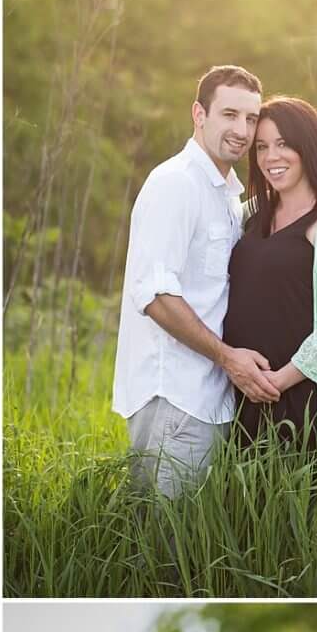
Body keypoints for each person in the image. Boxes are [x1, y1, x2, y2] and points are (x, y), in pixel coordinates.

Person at [112, 65, 280, 496]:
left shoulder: (225, 192)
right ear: (199, 114)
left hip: (207, 399)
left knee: (191, 547)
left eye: (250, 118)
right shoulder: (176, 184)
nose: (242, 130)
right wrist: (228, 358)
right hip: (175, 398)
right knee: (167, 549)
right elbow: (154, 295)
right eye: (229, 114)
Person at [222, 96, 317, 458]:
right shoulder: (251, 213)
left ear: (308, 147)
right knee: (241, 510)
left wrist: (277, 381)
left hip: (302, 400)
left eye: (284, 144)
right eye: (262, 147)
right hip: (242, 395)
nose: (272, 157)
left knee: (307, 510)